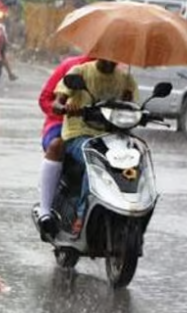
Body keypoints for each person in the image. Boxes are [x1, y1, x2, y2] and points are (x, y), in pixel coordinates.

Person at [53, 59, 138, 235]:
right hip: (78, 135)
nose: (111, 60)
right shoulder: (80, 72)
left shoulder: (126, 78)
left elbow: (132, 106)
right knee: (96, 160)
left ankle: (127, 209)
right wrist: (65, 107)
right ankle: (82, 215)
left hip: (112, 138)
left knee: (134, 160)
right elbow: (56, 104)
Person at [36, 54, 92, 239]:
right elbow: (45, 99)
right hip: (61, 126)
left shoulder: (119, 76)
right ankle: (45, 212)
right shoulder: (72, 67)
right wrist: (64, 109)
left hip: (98, 130)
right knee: (57, 145)